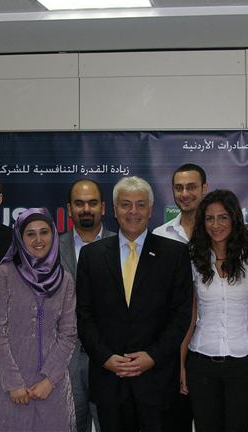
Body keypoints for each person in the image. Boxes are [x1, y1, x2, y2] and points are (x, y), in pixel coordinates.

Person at [76, 176, 193, 432]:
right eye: (126, 204)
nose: (133, 211)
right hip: (110, 379)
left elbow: (181, 316)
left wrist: (152, 357)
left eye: (140, 205)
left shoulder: (175, 254)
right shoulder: (91, 255)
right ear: (114, 210)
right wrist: (106, 357)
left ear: (150, 210)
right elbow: (84, 315)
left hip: (157, 380)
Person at [0, 208, 77, 432]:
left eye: (44, 232)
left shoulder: (64, 280)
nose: (38, 240)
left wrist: (49, 380)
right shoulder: (3, 275)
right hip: (10, 389)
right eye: (30, 234)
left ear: (53, 235)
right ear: (20, 238)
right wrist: (13, 383)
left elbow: (68, 334)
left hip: (51, 388)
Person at [184, 190, 248, 432]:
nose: (216, 225)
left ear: (234, 219)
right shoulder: (193, 258)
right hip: (201, 364)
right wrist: (180, 363)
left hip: (244, 365)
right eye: (209, 218)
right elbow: (189, 317)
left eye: (223, 217)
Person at [153, 163, 207, 432]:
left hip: (211, 351)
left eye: (191, 187)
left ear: (204, 189)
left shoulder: (219, 235)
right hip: (173, 351)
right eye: (179, 188)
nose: (185, 194)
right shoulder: (159, 236)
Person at [60, 179, 115, 432]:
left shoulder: (122, 245)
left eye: (92, 203)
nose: (86, 209)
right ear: (69, 209)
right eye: (79, 203)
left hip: (110, 358)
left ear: (103, 207)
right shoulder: (51, 248)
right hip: (67, 360)